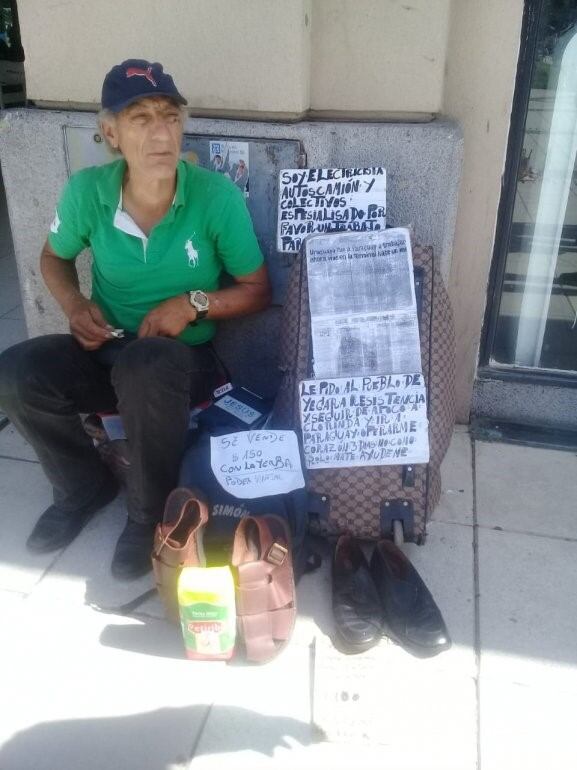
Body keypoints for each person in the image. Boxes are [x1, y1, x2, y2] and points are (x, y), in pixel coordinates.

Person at [0, 59, 271, 580]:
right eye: (140, 117)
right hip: (107, 351)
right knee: (17, 371)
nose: (160, 132)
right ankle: (82, 487)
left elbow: (258, 291)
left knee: (147, 366)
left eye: (169, 116)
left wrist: (193, 303)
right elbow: (53, 258)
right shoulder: (87, 193)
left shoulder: (215, 198)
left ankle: (148, 514)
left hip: (181, 366)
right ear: (111, 133)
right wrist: (76, 307)